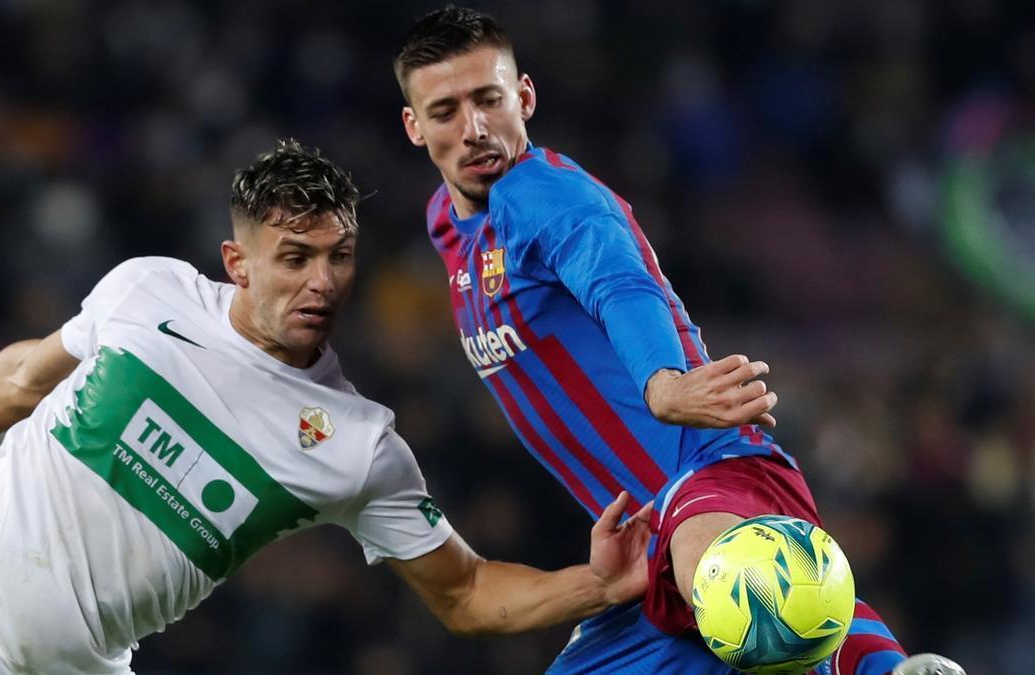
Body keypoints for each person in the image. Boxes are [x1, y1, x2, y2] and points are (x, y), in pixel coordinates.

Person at [0, 139, 653, 675]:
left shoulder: (359, 444)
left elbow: (466, 592)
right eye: (294, 258)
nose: (321, 282)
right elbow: (27, 377)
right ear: (237, 261)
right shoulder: (148, 290)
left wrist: (595, 583)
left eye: (338, 258)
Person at [394, 8, 965, 675]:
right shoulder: (449, 225)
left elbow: (619, 285)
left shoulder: (545, 196)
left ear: (523, 96)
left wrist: (662, 381)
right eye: (445, 111)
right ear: (414, 126)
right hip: (641, 559)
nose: (474, 128)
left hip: (709, 469)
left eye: (489, 99)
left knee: (736, 578)